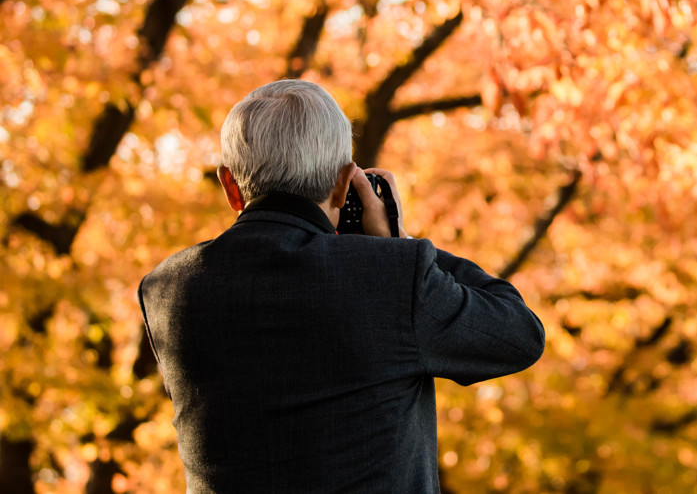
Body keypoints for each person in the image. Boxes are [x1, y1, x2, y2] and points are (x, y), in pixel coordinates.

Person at [138, 79, 545, 493]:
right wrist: (400, 244)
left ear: (230, 185)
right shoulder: (391, 278)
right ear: (344, 184)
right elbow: (520, 334)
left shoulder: (165, 291)